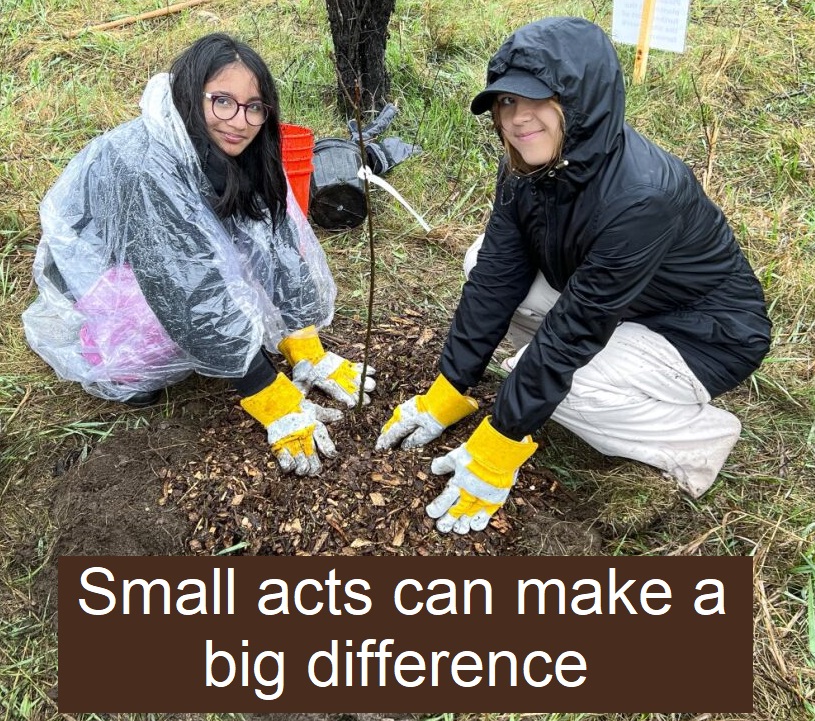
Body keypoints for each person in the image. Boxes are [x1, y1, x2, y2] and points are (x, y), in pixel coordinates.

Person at [376, 17, 771, 534]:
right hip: (617, 301)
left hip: (700, 332)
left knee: (565, 385)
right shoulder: (527, 161)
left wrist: (500, 445)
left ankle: (695, 438)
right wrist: (451, 386)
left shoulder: (643, 195)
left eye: (537, 100)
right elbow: (497, 274)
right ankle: (606, 373)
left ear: (581, 102)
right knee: (479, 261)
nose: (517, 119)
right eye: (507, 102)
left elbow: (574, 331)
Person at [23, 33, 375, 477]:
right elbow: (187, 290)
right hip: (102, 269)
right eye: (222, 101)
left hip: (166, 256)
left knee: (240, 261)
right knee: (141, 363)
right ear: (191, 95)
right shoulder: (146, 165)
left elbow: (278, 242)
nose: (240, 121)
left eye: (254, 107)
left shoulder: (247, 149)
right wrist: (269, 394)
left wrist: (305, 346)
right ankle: (110, 349)